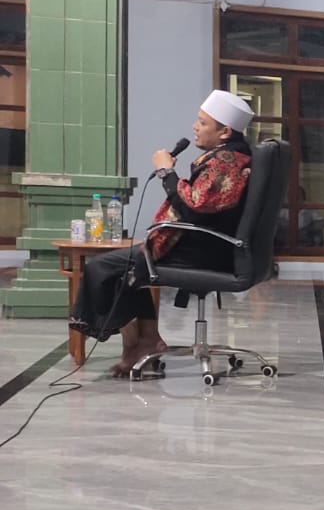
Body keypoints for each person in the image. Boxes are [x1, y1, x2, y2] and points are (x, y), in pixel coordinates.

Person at [68, 90, 254, 377]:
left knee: (102, 268)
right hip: (206, 246)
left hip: (204, 252)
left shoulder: (226, 162)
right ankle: (146, 340)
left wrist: (166, 172)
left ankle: (139, 343)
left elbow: (192, 208)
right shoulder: (230, 156)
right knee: (129, 267)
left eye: (203, 122)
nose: (195, 126)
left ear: (225, 132)